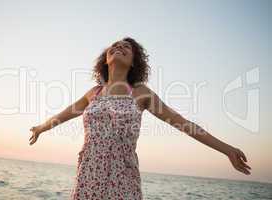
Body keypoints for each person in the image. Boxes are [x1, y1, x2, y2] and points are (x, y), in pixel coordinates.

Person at [29, 37, 251, 199]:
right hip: (89, 173)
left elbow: (185, 124)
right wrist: (40, 128)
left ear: (134, 62)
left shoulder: (140, 93)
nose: (119, 47)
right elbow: (64, 115)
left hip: (123, 176)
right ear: (105, 61)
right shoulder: (93, 93)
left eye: (126, 47)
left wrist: (227, 150)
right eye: (114, 46)